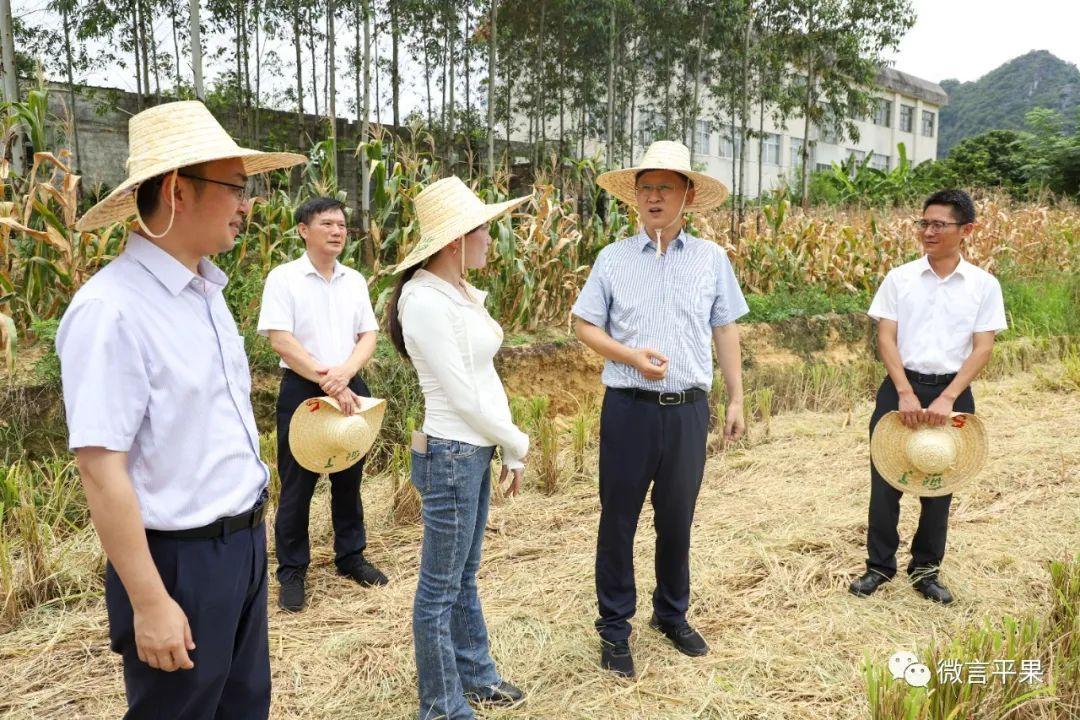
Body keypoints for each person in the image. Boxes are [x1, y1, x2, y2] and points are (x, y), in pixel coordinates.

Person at [56, 101, 304, 717]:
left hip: (241, 546)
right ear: (177, 191)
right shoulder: (110, 310)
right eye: (237, 189)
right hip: (178, 563)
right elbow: (100, 468)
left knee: (243, 706)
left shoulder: (206, 293)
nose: (248, 206)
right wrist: (150, 601)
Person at [571, 140, 748, 678]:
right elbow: (583, 325)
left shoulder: (711, 259)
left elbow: (725, 326)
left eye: (664, 188)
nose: (652, 197)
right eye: (645, 188)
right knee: (618, 520)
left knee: (677, 520)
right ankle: (614, 628)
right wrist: (629, 356)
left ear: (687, 196)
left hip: (689, 410)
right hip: (629, 408)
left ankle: (671, 615)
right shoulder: (613, 258)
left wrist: (735, 396)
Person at [386, 176, 530, 719]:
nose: (491, 239)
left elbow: (483, 378)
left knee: (462, 576)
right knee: (438, 589)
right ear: (454, 241)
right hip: (451, 453)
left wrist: (507, 449)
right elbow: (464, 397)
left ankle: (476, 676)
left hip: (473, 452)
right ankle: (442, 705)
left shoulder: (459, 294)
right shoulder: (424, 301)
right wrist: (518, 440)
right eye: (484, 230)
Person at [849, 189, 1007, 605]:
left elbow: (983, 347)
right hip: (900, 387)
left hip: (953, 392)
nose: (929, 231)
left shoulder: (983, 285)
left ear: (966, 230)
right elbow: (885, 336)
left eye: (939, 224)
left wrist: (949, 397)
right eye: (924, 223)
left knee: (939, 484)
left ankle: (926, 571)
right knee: (885, 482)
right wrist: (903, 390)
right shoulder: (900, 278)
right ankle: (878, 567)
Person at [257, 196, 387, 613]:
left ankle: (351, 557)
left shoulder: (354, 280)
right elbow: (281, 339)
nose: (337, 231)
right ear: (303, 230)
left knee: (349, 477)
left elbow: (368, 335)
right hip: (303, 388)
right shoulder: (284, 278)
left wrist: (344, 375)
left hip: (349, 385)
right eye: (327, 223)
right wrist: (326, 378)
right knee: (298, 485)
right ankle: (292, 571)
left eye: (343, 225)